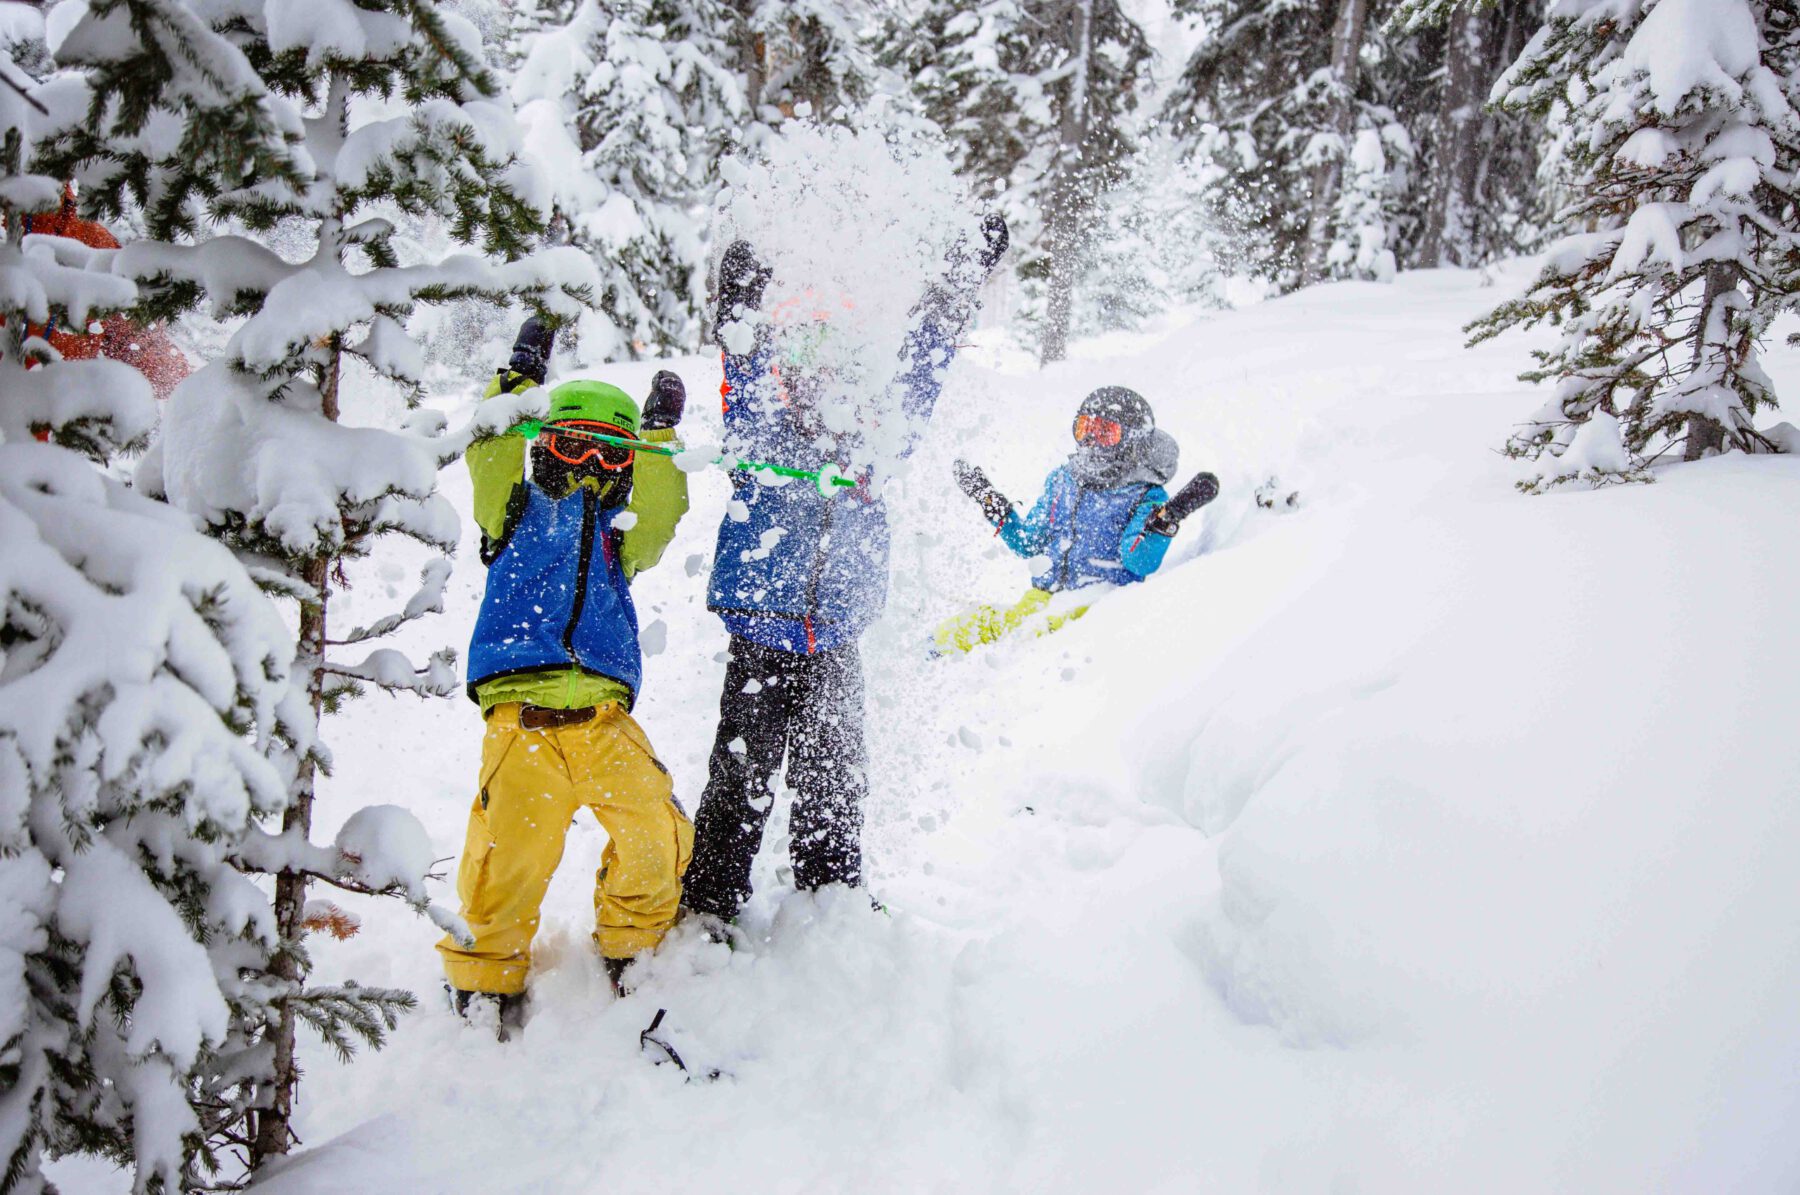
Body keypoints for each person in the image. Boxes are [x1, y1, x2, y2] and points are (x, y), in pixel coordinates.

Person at [680, 215, 1009, 927]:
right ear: (788, 381)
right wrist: (740, 303)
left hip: (835, 639)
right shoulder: (759, 430)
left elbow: (923, 365)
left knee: (834, 774)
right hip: (760, 636)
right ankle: (709, 905)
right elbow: (741, 367)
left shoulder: (878, 445)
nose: (818, 393)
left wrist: (955, 287)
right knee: (740, 773)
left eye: (837, 382)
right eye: (803, 378)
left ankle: (832, 902)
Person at [438, 318, 694, 1038]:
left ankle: (630, 944)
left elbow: (665, 508)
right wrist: (517, 379)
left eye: (605, 453)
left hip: (606, 724)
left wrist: (659, 438)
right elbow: (490, 452)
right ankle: (485, 974)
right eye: (567, 444)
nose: (584, 464)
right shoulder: (514, 513)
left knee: (655, 832)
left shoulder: (624, 541)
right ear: (542, 446)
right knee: (505, 859)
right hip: (523, 722)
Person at [935, 386, 1220, 654]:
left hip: (1098, 603)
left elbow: (1139, 561)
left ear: (1131, 441)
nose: (1090, 441)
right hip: (1042, 598)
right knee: (963, 629)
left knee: (1033, 637)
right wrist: (994, 506)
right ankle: (924, 657)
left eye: (1105, 433)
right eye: (1084, 428)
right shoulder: (1063, 480)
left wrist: (1166, 518)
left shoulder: (1144, 494)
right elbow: (1029, 543)